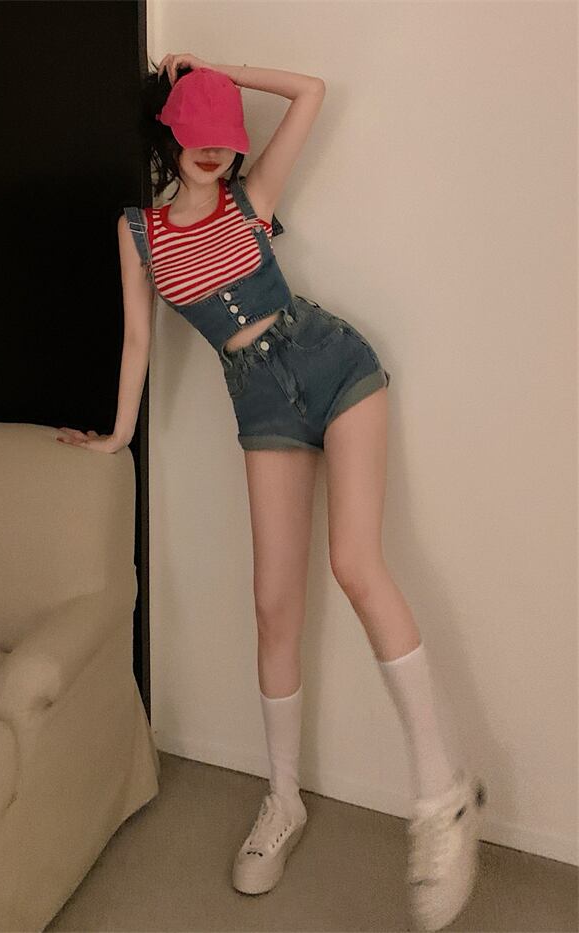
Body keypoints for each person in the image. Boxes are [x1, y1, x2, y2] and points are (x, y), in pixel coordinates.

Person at [56, 54, 487, 932]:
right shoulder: (139, 233)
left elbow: (312, 93)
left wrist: (216, 73)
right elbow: (138, 340)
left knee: (355, 564)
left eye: (226, 134)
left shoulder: (251, 199)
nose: (216, 148)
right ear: (169, 133)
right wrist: (118, 434)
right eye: (199, 131)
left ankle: (441, 794)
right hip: (259, 403)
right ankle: (283, 799)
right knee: (272, 605)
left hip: (335, 365)